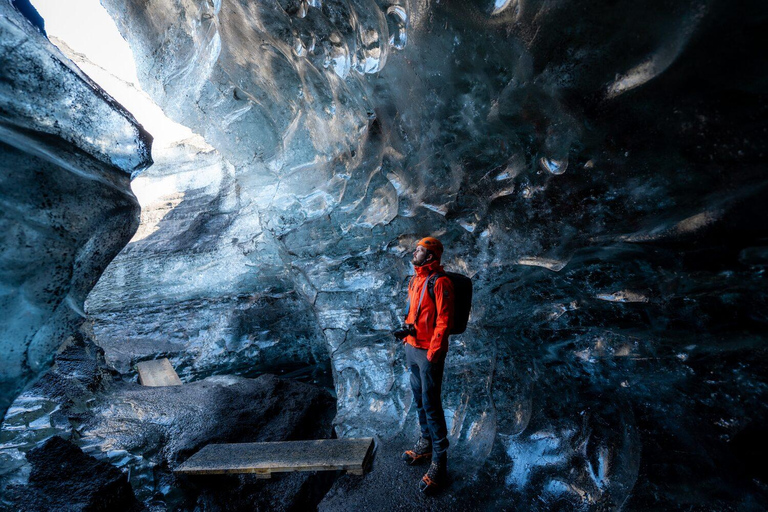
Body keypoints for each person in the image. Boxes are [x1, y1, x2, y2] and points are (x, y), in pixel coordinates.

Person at [399, 236, 454, 494]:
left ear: (431, 256)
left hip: (429, 353)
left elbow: (444, 320)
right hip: (412, 348)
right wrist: (406, 339)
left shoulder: (440, 282)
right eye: (417, 249)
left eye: (420, 250)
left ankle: (439, 462)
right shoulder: (415, 279)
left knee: (431, 404)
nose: (415, 253)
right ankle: (425, 442)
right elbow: (413, 313)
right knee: (419, 400)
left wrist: (434, 352)